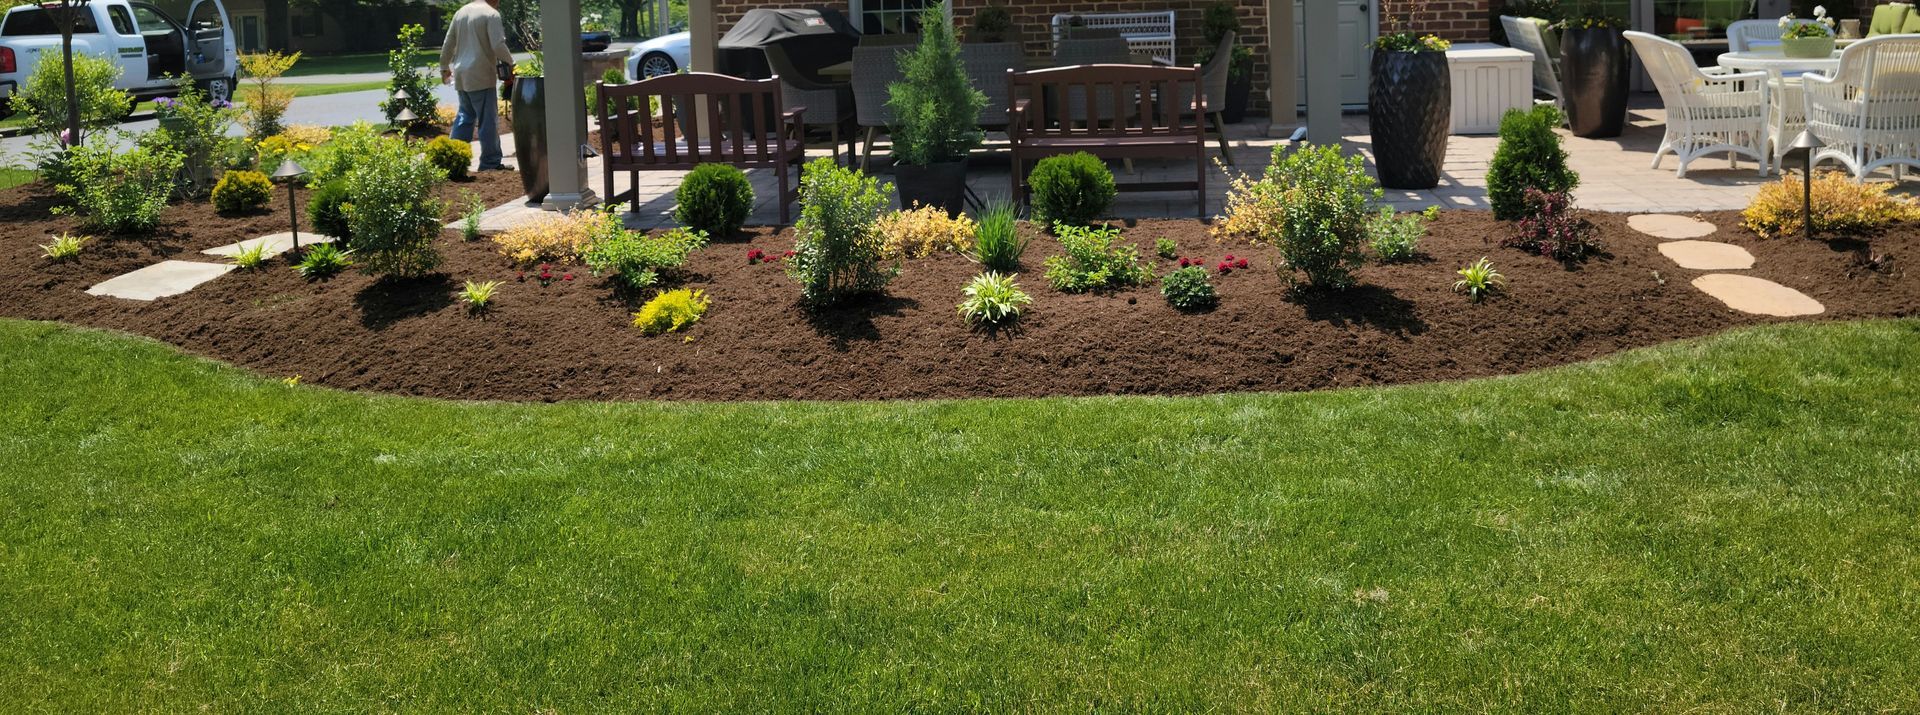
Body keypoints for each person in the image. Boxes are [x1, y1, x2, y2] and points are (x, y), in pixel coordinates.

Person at [440, 0, 517, 171]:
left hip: (462, 74)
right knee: (487, 120)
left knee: (465, 117)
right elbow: (497, 45)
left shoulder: (461, 12)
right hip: (481, 74)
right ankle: (490, 163)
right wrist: (512, 63)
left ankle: (452, 160)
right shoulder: (491, 14)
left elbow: (448, 42)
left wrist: (444, 67)